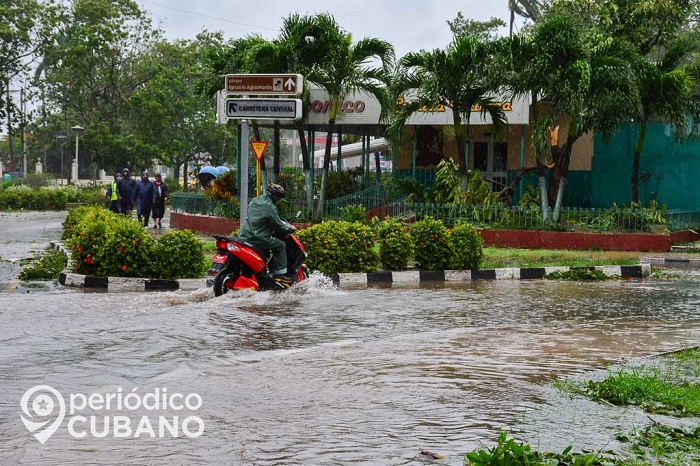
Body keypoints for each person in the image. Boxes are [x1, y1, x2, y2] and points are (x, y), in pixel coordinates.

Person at [236, 183, 296, 287]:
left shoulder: (255, 200)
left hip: (245, 234)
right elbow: (278, 225)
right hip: (260, 237)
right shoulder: (270, 207)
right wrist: (291, 229)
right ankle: (280, 274)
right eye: (279, 198)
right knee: (280, 245)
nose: (279, 201)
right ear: (275, 197)